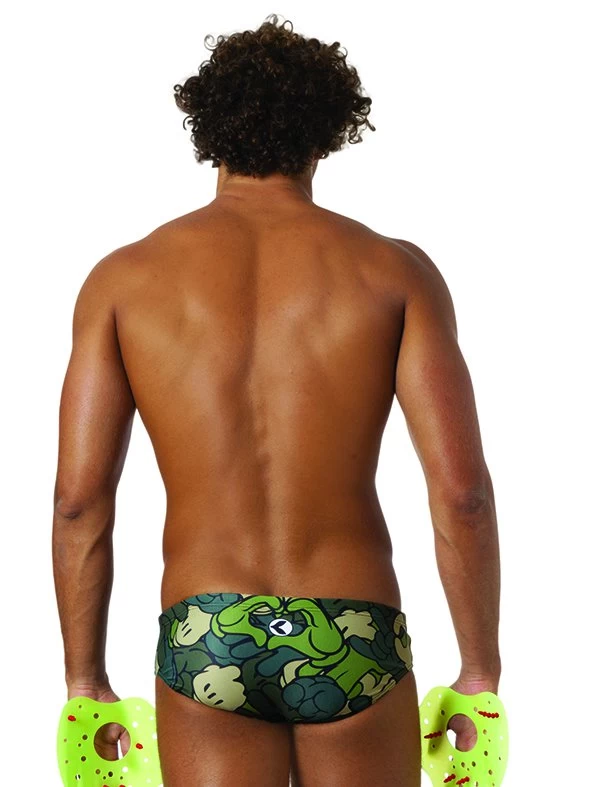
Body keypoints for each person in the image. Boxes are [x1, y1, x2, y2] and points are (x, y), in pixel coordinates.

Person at [52, 13, 501, 787]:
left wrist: (84, 684)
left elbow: (77, 502)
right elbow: (462, 495)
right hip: (352, 629)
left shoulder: (123, 279)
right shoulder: (393, 271)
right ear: (326, 134)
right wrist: (479, 672)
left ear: (208, 127)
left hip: (206, 633)